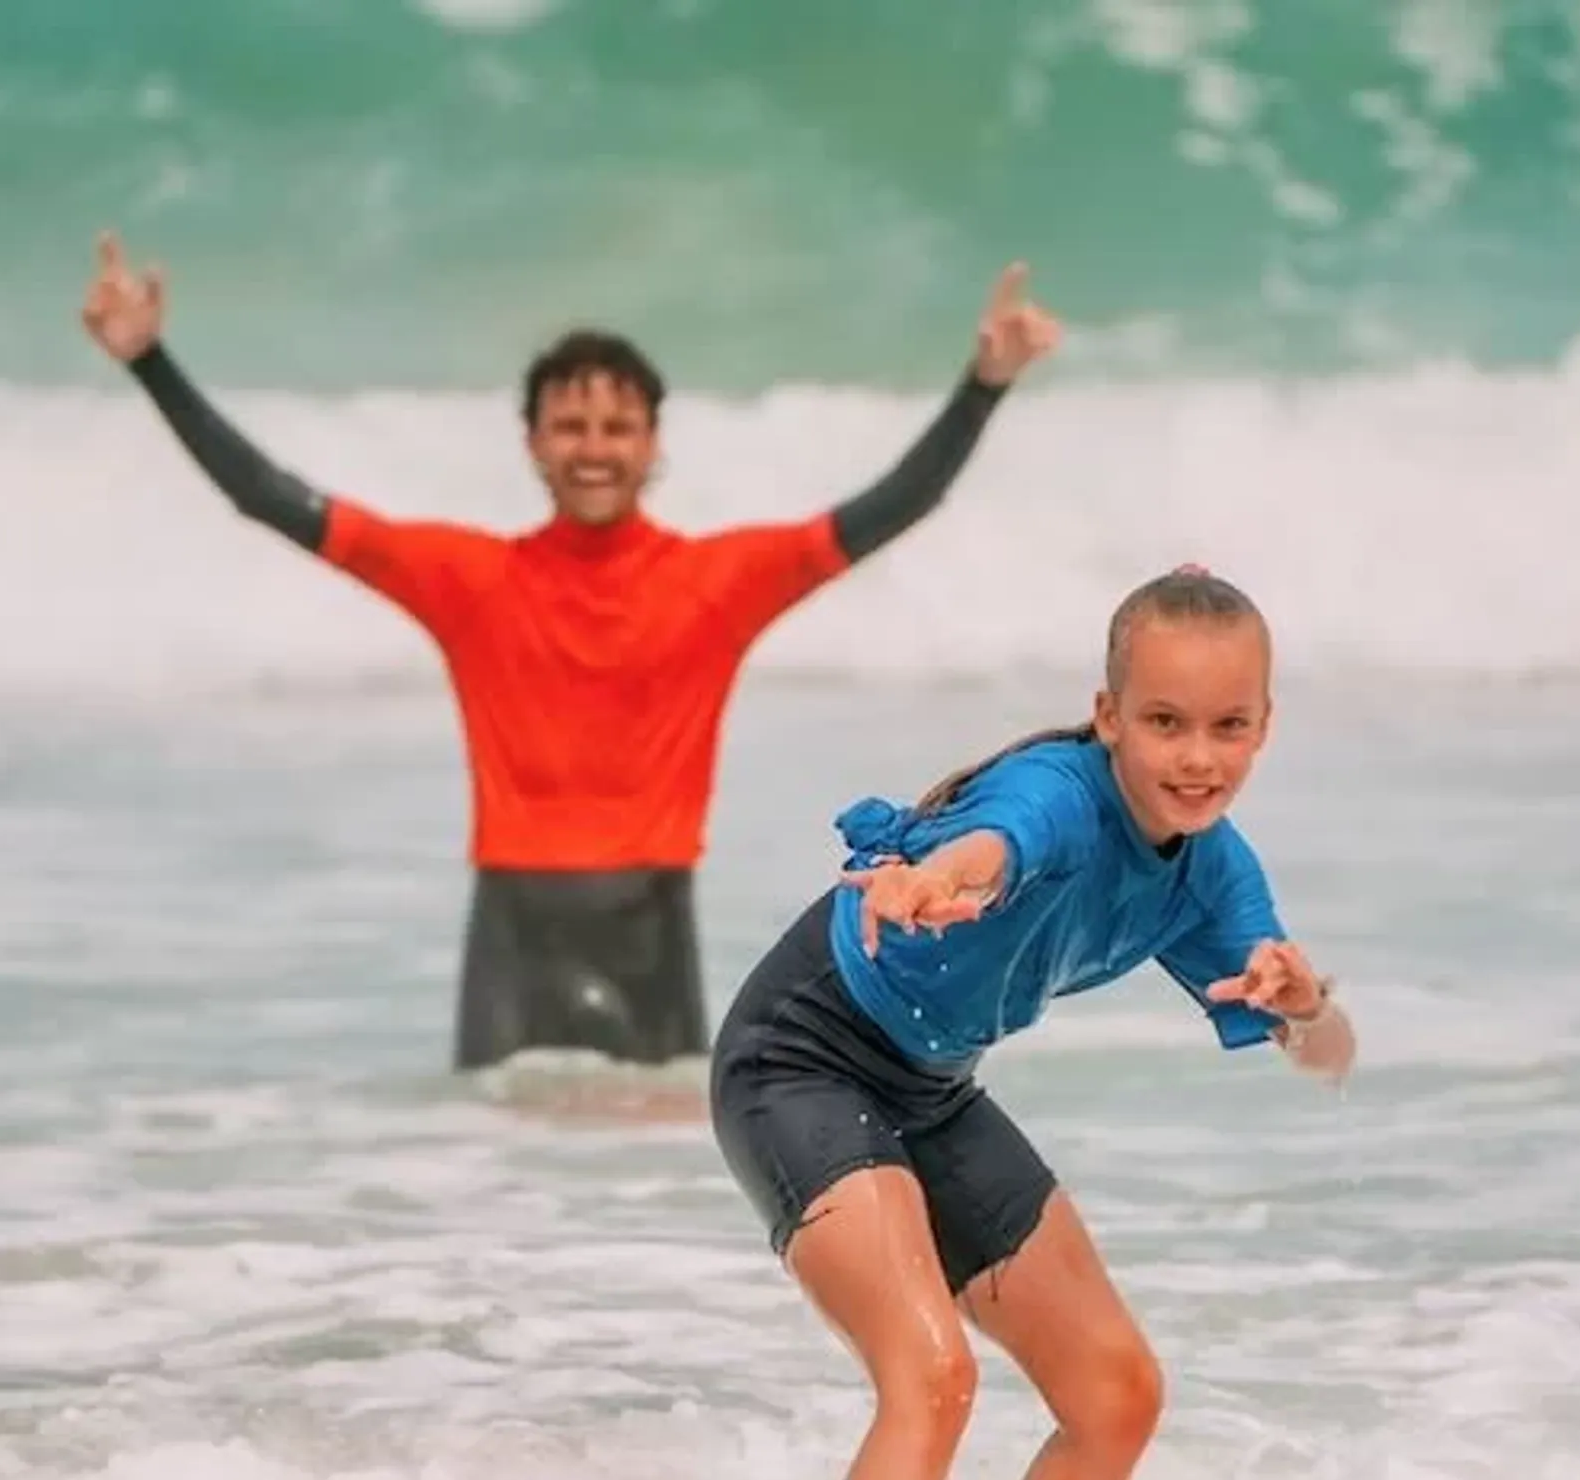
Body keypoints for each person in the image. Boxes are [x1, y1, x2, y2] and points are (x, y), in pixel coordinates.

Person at [80, 232, 1064, 1069]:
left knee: (647, 1215)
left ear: (651, 443)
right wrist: (148, 361)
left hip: (653, 934)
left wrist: (984, 387)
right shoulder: (464, 578)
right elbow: (269, 497)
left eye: (616, 426)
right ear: (534, 443)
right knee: (494, 1195)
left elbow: (895, 505)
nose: (594, 445)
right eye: (571, 425)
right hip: (512, 941)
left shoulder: (724, 581)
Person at [706, 566, 1355, 1480]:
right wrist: (941, 877)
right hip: (799, 1059)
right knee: (931, 1373)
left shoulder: (1215, 875)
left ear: (1266, 727)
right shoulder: (1054, 797)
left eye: (1228, 726)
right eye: (1164, 722)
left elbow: (1328, 1062)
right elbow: (996, 845)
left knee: (1116, 1391)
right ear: (1108, 715)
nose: (1197, 756)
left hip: (926, 1087)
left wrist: (1304, 1004)